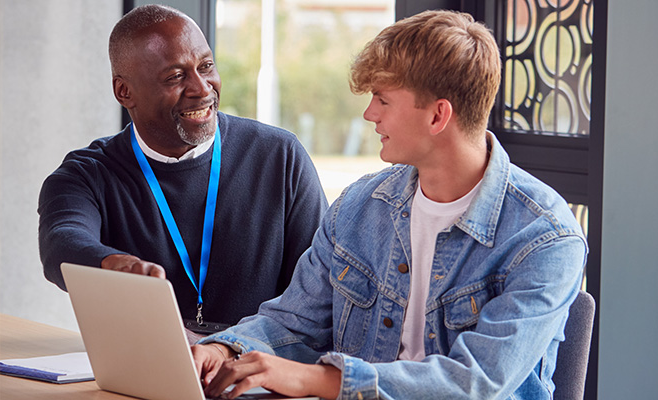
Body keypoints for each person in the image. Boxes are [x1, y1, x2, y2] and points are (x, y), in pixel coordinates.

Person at [192, 10, 588, 400]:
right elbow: (293, 322)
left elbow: (476, 384)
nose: (369, 114)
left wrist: (317, 381)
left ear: (438, 115)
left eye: (382, 100)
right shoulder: (358, 207)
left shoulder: (545, 237)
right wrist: (222, 349)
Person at [37, 4, 327, 335]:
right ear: (124, 91)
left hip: (260, 366)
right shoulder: (88, 173)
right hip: (148, 368)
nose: (202, 88)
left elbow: (316, 292)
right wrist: (115, 265)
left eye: (206, 67)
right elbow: (61, 240)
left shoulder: (280, 156)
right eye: (176, 76)